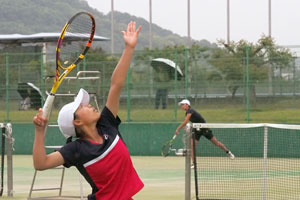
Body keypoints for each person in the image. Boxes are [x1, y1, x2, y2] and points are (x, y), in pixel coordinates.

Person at [32, 21, 143, 200]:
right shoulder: (76, 149)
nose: (89, 105)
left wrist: (129, 49)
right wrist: (39, 132)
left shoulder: (107, 124)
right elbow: (41, 163)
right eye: (82, 106)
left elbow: (116, 84)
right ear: (77, 122)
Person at [175, 99, 235, 168]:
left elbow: (185, 122)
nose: (182, 106)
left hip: (204, 128)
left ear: (187, 105)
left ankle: (228, 152)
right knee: (192, 146)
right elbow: (194, 121)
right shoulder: (187, 113)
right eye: (181, 105)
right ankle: (194, 163)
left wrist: (178, 129)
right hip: (197, 130)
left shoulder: (190, 111)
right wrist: (188, 126)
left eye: (183, 104)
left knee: (216, 143)